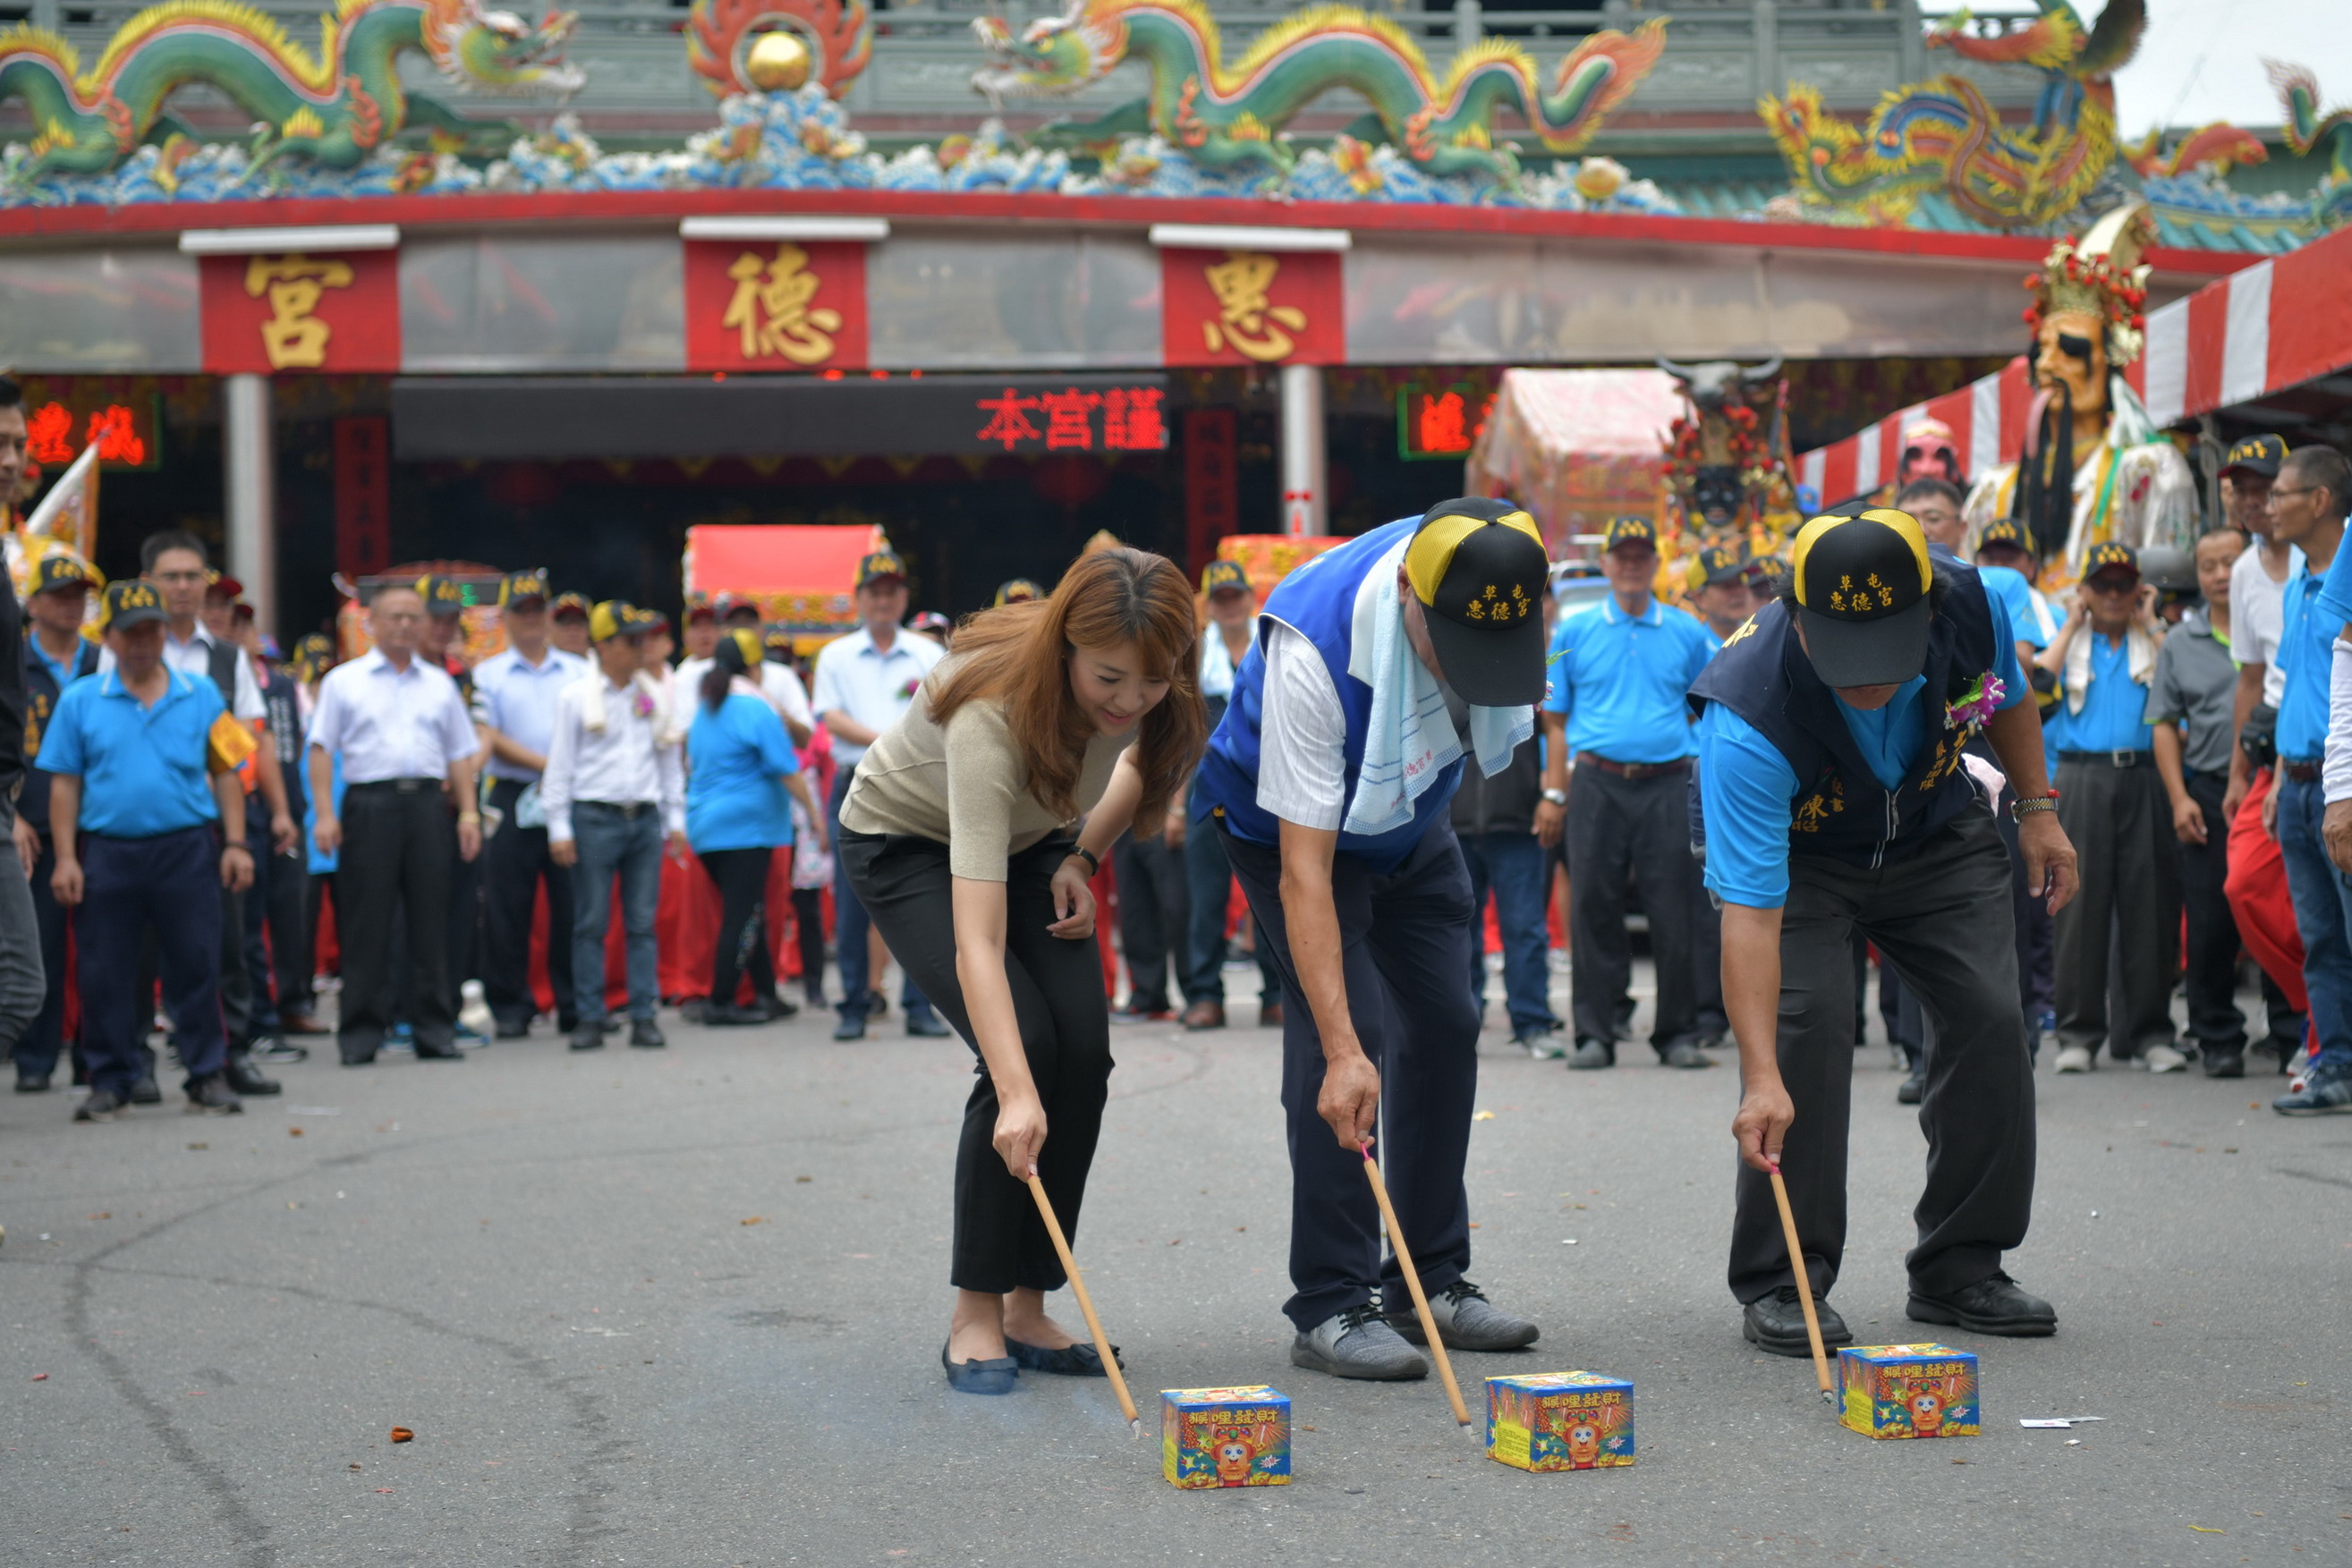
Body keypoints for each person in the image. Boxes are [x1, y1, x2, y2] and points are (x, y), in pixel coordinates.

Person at [1694, 505, 2068, 1354]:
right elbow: (1750, 917)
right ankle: (1785, 1277)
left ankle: (1959, 1266)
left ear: (1929, 612)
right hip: (1805, 861)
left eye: (1885, 656)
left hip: (1935, 832)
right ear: (1797, 619)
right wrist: (1757, 1078)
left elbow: (2004, 695)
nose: (1866, 681)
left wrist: (2039, 811)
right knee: (1806, 1033)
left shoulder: (1973, 601)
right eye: (1844, 659)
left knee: (1990, 1016)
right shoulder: (1745, 716)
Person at [1198, 497, 1549, 1380]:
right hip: (1291, 831)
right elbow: (1305, 873)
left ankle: (1429, 1279)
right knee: (1340, 1048)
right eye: (1452, 648)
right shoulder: (1313, 649)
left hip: (1409, 813)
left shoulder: (1500, 558)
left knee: (1444, 1024)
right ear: (1407, 596)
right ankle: (1329, 1301)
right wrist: (1348, 1047)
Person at [837, 547, 1195, 1394]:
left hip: (1033, 841)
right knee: (1024, 1055)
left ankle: (1030, 1304)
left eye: (1150, 683)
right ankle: (975, 1309)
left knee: (1084, 1056)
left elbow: (1139, 770)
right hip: (907, 844)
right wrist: (1014, 1088)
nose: (1128, 702)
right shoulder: (989, 715)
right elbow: (977, 942)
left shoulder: (1153, 694)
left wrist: (1081, 854)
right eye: (1108, 678)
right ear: (1066, 646)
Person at [44, 579, 257, 1120]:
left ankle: (206, 1073)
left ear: (165, 634)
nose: (142, 643)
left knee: (197, 962)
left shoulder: (202, 693)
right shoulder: (80, 700)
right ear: (110, 638)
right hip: (108, 851)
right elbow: (65, 784)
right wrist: (67, 858)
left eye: (152, 632)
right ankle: (111, 1078)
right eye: (130, 633)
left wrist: (236, 843)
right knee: (104, 969)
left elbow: (229, 771)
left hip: (186, 849)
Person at [1535, 514, 1719, 1071]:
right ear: (1607, 564)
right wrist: (1555, 794)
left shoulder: (1687, 631)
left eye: (1643, 555)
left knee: (1676, 910)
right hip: (1595, 780)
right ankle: (1594, 1032)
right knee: (1593, 903)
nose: (1633, 565)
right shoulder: (1575, 630)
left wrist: (1694, 760)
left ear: (1656, 564)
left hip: (1668, 781)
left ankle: (1678, 1033)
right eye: (1623, 555)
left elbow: (1709, 709)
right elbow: (1556, 722)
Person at [123, 533, 294, 1095]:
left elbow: (251, 740)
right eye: (171, 577)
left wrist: (279, 809)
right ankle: (132, 1065)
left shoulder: (225, 657)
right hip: (138, 820)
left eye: (193, 576)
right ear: (149, 582)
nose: (183, 587)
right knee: (137, 949)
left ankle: (229, 1055)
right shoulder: (122, 647)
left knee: (226, 942)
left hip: (213, 820)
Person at [307, 582, 482, 1066]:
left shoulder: (440, 683)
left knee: (431, 919)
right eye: (394, 616)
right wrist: (324, 813)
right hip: (369, 805)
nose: (405, 625)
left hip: (428, 805)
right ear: (371, 624)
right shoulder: (345, 681)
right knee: (367, 920)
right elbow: (321, 749)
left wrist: (468, 812)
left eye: (412, 617)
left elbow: (460, 755)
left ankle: (433, 1028)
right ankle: (362, 1031)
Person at [2037, 541, 2178, 1072]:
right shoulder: (2072, 641)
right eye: (2104, 585)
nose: (2115, 595)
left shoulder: (2154, 642)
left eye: (2126, 585)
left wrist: (2153, 621)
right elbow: (2037, 687)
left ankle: (2148, 1032)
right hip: (2080, 776)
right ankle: (2078, 1032)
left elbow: (2180, 682)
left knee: (2151, 906)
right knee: (2077, 906)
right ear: (2086, 591)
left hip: (2145, 776)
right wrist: (2073, 623)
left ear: (2140, 590)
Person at [811, 549, 949, 1041]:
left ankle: (920, 1007)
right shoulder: (835, 655)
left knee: (923, 896)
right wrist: (887, 742)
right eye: (874, 591)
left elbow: (942, 716)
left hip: (914, 784)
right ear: (859, 599)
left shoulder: (929, 654)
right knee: (852, 902)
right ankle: (853, 1003)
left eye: (892, 590)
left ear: (904, 596)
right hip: (857, 782)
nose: (884, 599)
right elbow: (829, 718)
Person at [541, 603, 684, 1053]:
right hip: (593, 817)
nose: (642, 647)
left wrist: (675, 818)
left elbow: (668, 761)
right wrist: (558, 826)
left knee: (642, 922)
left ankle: (643, 1015)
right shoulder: (575, 697)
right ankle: (590, 1016)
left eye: (642, 639)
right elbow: (560, 765)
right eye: (631, 640)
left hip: (642, 816)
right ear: (603, 646)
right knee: (591, 921)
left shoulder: (653, 693)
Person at [2148, 528, 2254, 1076]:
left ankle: (2292, 1030)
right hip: (2208, 790)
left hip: (2269, 784)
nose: (2219, 574)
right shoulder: (2181, 643)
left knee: (2280, 915)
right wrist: (2179, 797)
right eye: (2208, 565)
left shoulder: (2273, 624)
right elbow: (2164, 723)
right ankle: (2218, 1036)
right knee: (2209, 919)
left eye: (2229, 563)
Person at [2266, 445, 2352, 1114]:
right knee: (2319, 936)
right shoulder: (2297, 579)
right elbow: (2291, 688)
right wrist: (2273, 779)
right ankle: (2335, 1067)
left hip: (2340, 784)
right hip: (2294, 783)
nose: (2268, 505)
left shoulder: (2344, 575)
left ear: (2318, 500)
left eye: (2281, 493)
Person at [471, 569, 590, 1038]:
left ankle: (573, 1002)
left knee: (573, 903)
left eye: (536, 610)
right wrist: (548, 763)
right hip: (513, 791)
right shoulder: (488, 673)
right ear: (505, 618)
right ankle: (510, 1005)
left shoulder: (579, 671)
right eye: (521, 612)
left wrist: (559, 770)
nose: (530, 619)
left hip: (569, 792)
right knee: (507, 904)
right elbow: (491, 736)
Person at [687, 629, 825, 1024]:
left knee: (749, 910)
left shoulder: (707, 708)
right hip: (746, 830)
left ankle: (766, 994)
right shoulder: (755, 707)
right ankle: (721, 1001)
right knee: (742, 915)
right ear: (754, 667)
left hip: (707, 828)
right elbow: (787, 769)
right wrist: (815, 817)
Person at [1176, 560, 1282, 1031]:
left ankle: (1277, 994)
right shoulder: (1194, 656)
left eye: (1236, 596)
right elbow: (1181, 738)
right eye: (1220, 598)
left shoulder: (1272, 644)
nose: (1230, 605)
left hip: (1268, 787)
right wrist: (1175, 804)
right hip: (1208, 787)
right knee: (1206, 898)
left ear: (1248, 598)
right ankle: (1204, 995)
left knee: (1273, 894)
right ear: (1209, 606)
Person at [10, 553, 96, 1093]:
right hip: (31, 830)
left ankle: (97, 1056)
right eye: (59, 594)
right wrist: (8, 813)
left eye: (78, 595)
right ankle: (36, 1060)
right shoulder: (11, 662)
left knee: (102, 946)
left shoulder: (105, 661)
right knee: (37, 945)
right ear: (34, 603)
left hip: (100, 826)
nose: (70, 604)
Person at [1447, 683, 1556, 1052]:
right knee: (1457, 930)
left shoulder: (1524, 670)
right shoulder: (1446, 665)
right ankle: (1461, 1022)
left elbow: (1554, 731)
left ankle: (1532, 1022)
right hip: (1454, 821)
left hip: (1516, 820)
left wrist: (1551, 795)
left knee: (1525, 928)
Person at [1685, 544, 1753, 640]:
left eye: (1740, 582)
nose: (1738, 592)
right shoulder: (1696, 649)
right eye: (1727, 585)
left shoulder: (1760, 637)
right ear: (1700, 598)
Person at [550, 593, 592, 657]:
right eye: (565, 622)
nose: (573, 629)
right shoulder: (538, 664)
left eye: (579, 622)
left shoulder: (604, 662)